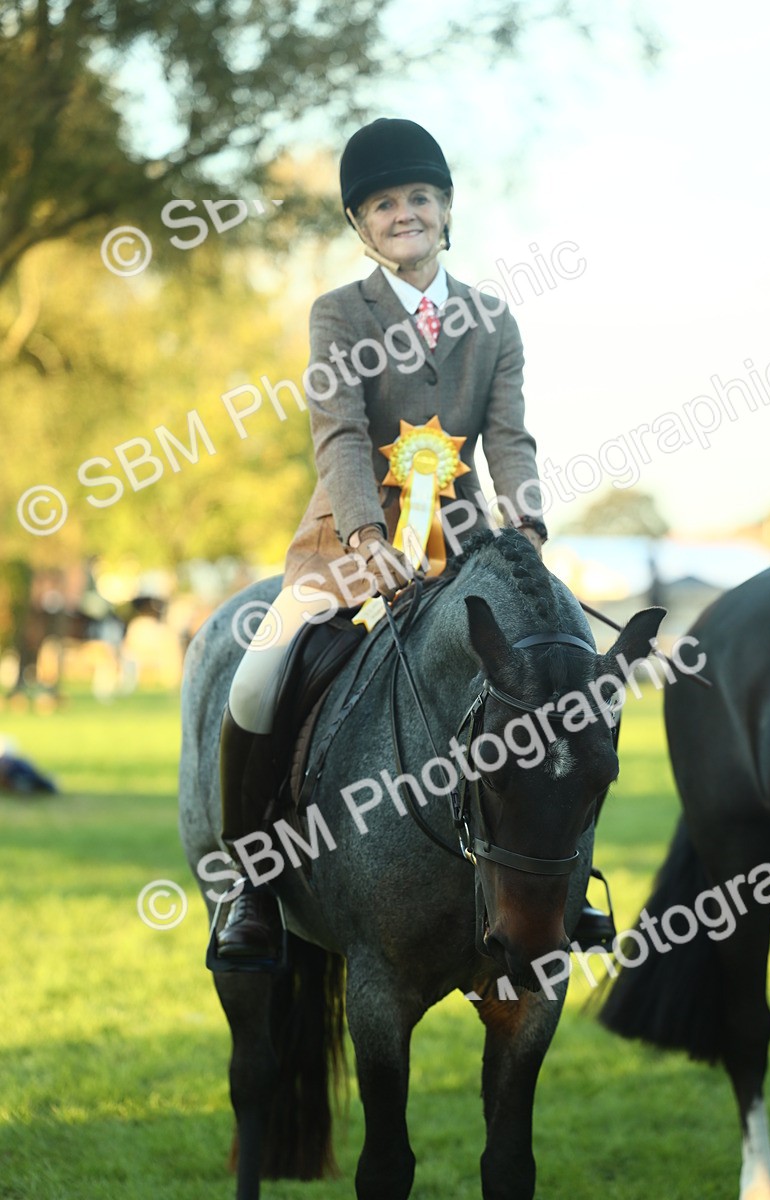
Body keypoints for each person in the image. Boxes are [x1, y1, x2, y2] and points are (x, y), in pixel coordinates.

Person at [216, 117, 550, 958]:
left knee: (554, 676)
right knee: (257, 679)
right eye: (385, 203)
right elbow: (335, 432)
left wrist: (530, 520)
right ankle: (250, 887)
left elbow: (508, 436)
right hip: (345, 541)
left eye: (420, 197)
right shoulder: (338, 315)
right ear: (362, 228)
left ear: (445, 209)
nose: (406, 212)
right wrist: (367, 536)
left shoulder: (493, 318)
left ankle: (558, 887)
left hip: (467, 548)